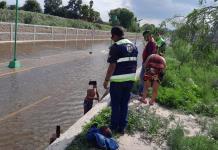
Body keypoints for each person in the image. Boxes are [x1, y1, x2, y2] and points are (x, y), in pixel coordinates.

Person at [103, 26, 138, 134]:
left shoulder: (116, 47)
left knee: (115, 104)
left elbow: (112, 66)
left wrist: (106, 80)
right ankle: (122, 127)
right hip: (130, 80)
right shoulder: (134, 46)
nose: (111, 38)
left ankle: (113, 126)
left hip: (118, 81)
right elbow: (134, 64)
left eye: (112, 35)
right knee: (124, 104)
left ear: (115, 35)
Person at [139, 30, 157, 96]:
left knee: (142, 77)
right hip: (146, 63)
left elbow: (151, 55)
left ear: (148, 36)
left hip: (146, 64)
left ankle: (143, 93)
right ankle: (142, 92)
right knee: (143, 78)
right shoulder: (151, 42)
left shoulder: (151, 43)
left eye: (145, 37)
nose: (144, 38)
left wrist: (145, 63)